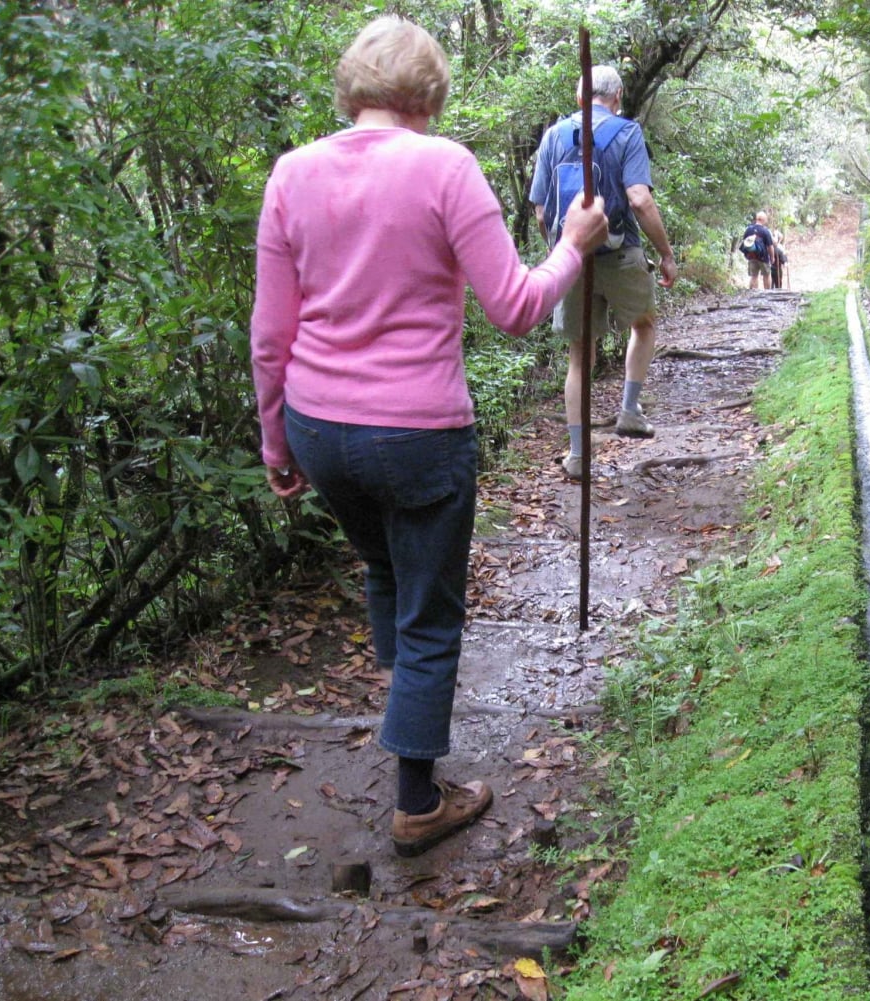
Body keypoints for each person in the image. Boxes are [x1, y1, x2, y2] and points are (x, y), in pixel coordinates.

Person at [249, 16, 608, 858]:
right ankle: (417, 800)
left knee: (385, 565)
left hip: (320, 426)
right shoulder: (444, 166)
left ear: (352, 88)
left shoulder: (292, 172)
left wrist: (276, 441)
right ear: (431, 93)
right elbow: (518, 308)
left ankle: (403, 692)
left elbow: (271, 331)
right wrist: (572, 246)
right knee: (431, 614)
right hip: (416, 432)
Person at [528, 65, 676, 482]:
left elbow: (541, 210)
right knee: (643, 324)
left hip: (573, 258)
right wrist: (665, 254)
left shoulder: (554, 136)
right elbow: (639, 199)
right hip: (621, 251)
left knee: (579, 354)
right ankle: (629, 410)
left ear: (579, 98)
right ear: (618, 95)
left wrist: (563, 251)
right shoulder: (627, 133)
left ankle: (577, 456)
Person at [741, 212, 776, 290]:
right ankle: (767, 293)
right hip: (763, 257)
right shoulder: (765, 231)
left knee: (754, 276)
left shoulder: (749, 229)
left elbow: (744, 242)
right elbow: (770, 246)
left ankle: (754, 293)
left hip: (751, 256)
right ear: (763, 220)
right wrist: (772, 257)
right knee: (766, 275)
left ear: (757, 219)